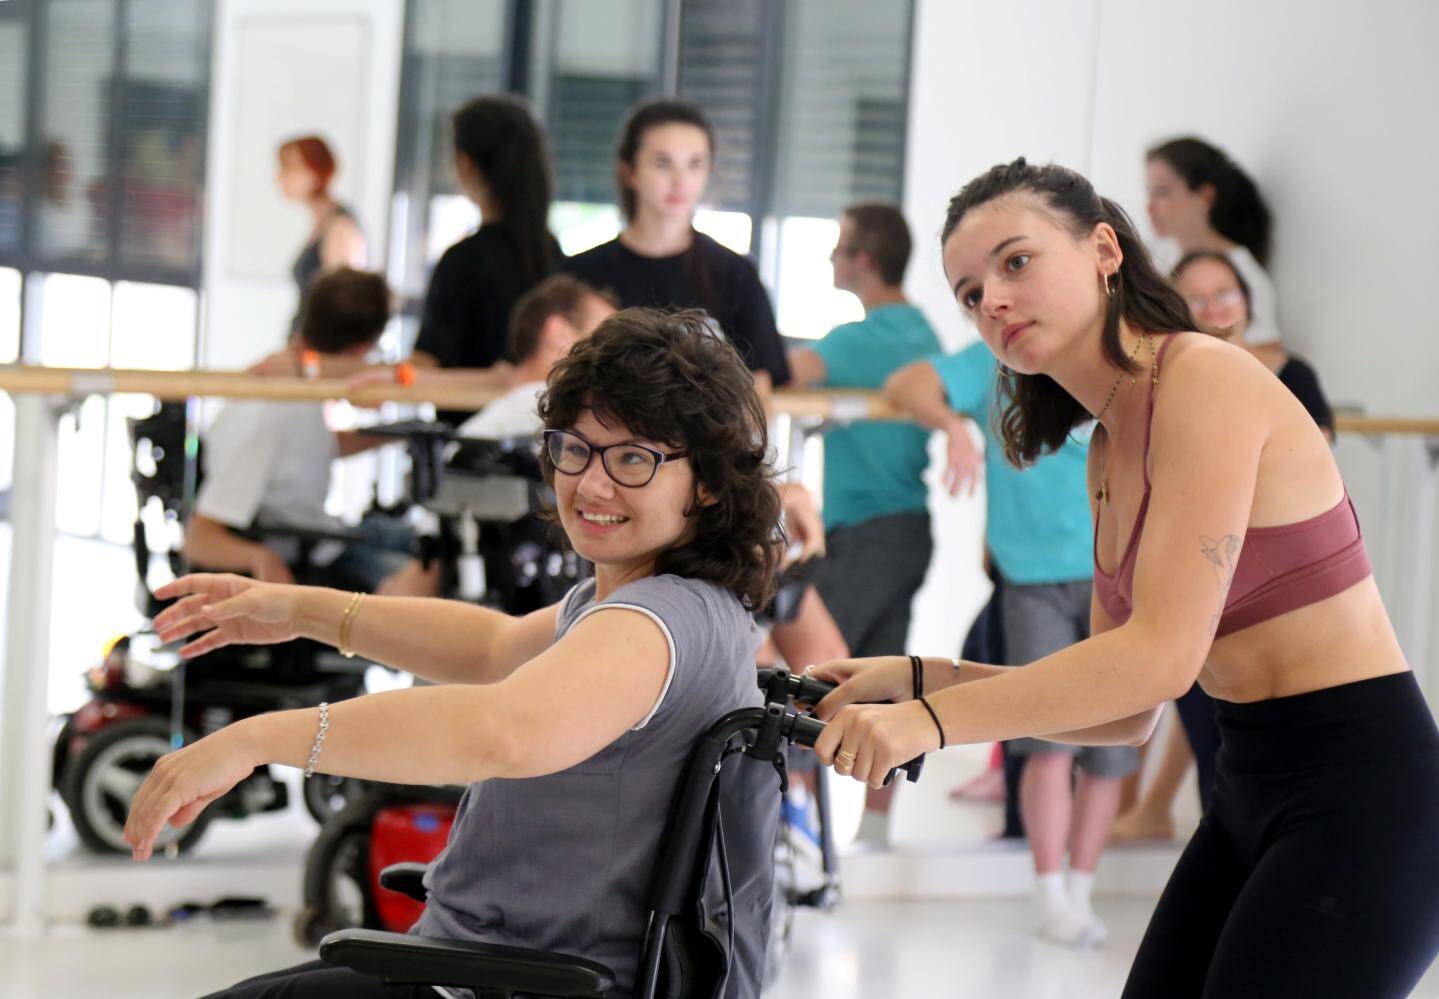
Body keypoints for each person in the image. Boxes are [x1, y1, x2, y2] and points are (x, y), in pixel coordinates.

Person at [810, 158, 1439, 998]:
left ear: (1103, 249)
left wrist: (931, 720)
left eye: (1015, 261)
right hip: (1248, 791)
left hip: (1364, 799)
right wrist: (919, 677)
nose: (990, 299)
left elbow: (1160, 660)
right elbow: (1122, 709)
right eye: (967, 292)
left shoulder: (1202, 378)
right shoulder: (1107, 445)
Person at [126, 309, 783, 999]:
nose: (591, 484)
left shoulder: (655, 622)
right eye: (575, 448)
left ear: (706, 481)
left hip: (506, 981)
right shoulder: (656, 600)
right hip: (479, 964)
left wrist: (257, 738)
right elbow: (493, 646)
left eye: (631, 458)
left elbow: (501, 730)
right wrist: (294, 609)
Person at [885, 338, 1132, 944]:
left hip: (1117, 578)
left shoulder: (1112, 357)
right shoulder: (990, 364)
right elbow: (905, 384)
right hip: (1031, 584)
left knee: (1110, 751)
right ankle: (1050, 893)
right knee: (1047, 741)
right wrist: (954, 428)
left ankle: (1079, 889)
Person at [1112, 247, 1339, 843]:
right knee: (1199, 712)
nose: (1215, 307)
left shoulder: (1289, 374)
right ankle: (1172, 817)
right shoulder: (1166, 385)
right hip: (1198, 571)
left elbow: (1306, 463)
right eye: (1199, 296)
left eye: (1225, 293)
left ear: (1247, 298)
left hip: (1275, 576)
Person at [784, 203, 939, 847]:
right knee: (887, 674)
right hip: (907, 530)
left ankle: (795, 818)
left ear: (865, 261)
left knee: (813, 677)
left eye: (838, 248)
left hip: (870, 532)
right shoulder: (921, 332)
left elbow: (776, 373)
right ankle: (873, 831)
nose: (830, 259)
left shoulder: (857, 341)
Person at [189, 269, 432, 597]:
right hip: (319, 554)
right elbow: (199, 538)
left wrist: (407, 432)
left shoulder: (297, 388)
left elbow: (321, 448)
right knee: (434, 578)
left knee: (432, 541)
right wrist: (260, 559)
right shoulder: (272, 411)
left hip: (330, 532)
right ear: (362, 350)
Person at [561, 98, 790, 393]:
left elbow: (760, 384)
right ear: (630, 170)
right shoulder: (578, 275)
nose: (680, 181)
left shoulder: (735, 274)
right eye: (662, 163)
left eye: (695, 164)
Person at [410, 95, 564, 424]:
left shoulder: (464, 260)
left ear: (465, 164)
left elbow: (424, 366)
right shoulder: (555, 254)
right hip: (539, 438)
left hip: (469, 443)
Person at [1145, 136, 1279, 346]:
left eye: (1162, 192)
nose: (1149, 207)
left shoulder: (1247, 276)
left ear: (1205, 197)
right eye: (1149, 193)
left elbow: (1266, 359)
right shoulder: (1155, 255)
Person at [453, 275, 617, 440]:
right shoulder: (568, 416)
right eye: (605, 337)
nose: (617, 352)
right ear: (559, 332)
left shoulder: (478, 430)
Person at [278, 136, 367, 304]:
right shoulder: (322, 223)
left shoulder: (340, 229)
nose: (280, 177)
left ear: (314, 171)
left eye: (288, 168)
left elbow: (345, 306)